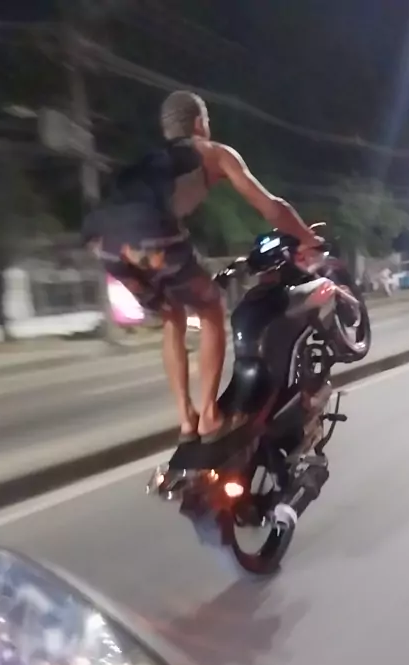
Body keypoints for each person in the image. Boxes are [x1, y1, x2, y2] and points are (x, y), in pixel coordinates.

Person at [84, 91, 323, 443]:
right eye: (206, 121)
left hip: (102, 242)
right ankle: (209, 416)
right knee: (210, 307)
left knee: (173, 314)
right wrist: (305, 237)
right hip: (147, 233)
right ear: (199, 123)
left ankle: (186, 420)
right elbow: (270, 206)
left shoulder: (152, 162)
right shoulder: (213, 153)